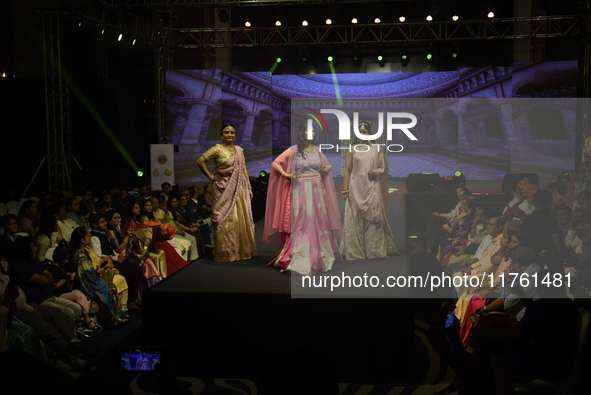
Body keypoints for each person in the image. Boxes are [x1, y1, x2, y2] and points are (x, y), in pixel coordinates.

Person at [264, 121, 342, 276]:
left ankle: (320, 256)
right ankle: (299, 255)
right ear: (300, 133)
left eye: (313, 131)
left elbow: (327, 165)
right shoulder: (293, 150)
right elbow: (275, 163)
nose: (311, 134)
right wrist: (286, 175)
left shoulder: (317, 151)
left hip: (316, 191)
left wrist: (326, 169)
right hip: (299, 190)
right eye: (307, 131)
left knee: (318, 221)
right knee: (301, 222)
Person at [196, 124, 257, 262]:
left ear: (235, 135)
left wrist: (249, 187)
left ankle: (240, 250)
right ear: (222, 135)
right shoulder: (217, 148)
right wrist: (210, 177)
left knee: (239, 218)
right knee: (225, 218)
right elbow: (200, 161)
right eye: (226, 132)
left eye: (232, 132)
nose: (230, 135)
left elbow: (243, 168)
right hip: (223, 187)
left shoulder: (239, 150)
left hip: (239, 187)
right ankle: (225, 252)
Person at [340, 122, 398, 260]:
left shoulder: (377, 148)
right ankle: (356, 251)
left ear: (370, 133)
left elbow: (382, 168)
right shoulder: (352, 148)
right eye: (360, 131)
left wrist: (376, 172)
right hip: (355, 189)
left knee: (374, 217)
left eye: (365, 131)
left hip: (372, 187)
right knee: (356, 220)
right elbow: (347, 171)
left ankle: (374, 251)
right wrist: (345, 190)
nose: (362, 134)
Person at [69, 227, 127, 327]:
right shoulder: (80, 255)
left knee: (110, 285)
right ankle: (113, 319)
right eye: (87, 235)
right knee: (107, 288)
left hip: (90, 278)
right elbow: (87, 274)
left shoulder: (84, 251)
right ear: (82, 240)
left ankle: (117, 315)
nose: (90, 236)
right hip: (86, 283)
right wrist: (98, 271)